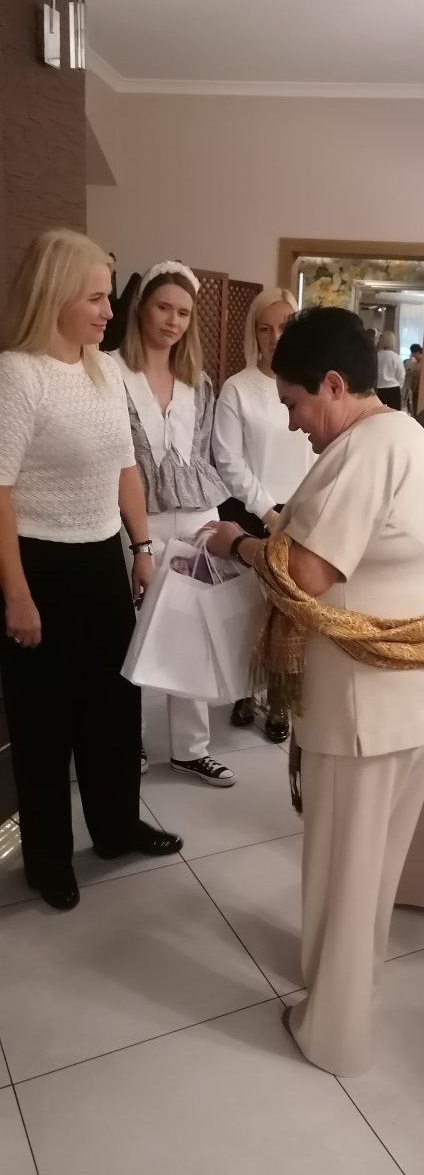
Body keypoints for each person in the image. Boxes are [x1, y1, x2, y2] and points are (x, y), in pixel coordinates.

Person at [206, 307, 424, 1076]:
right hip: (417, 696)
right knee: (372, 864)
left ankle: (334, 1033)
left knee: (347, 868)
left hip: (367, 706)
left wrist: (237, 542)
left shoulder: (366, 447)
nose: (292, 422)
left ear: (331, 384)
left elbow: (305, 573)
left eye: (294, 403)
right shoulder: (407, 435)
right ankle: (345, 973)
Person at [0, 230, 183, 912]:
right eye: (96, 297)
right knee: (44, 722)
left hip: (103, 558)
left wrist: (142, 548)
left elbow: (125, 469)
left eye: (109, 296)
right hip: (39, 565)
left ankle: (115, 828)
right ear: (55, 296)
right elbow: (0, 492)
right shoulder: (17, 374)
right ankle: (47, 859)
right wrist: (16, 594)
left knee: (113, 708)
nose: (111, 311)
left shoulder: (104, 370)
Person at [113, 262, 235, 788]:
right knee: (133, 631)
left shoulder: (199, 383)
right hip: (136, 518)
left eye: (183, 313)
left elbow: (200, 454)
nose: (173, 321)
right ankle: (129, 741)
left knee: (193, 631)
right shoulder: (108, 372)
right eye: (164, 307)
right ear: (141, 307)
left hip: (197, 515)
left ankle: (191, 748)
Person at [213, 287, 313, 742]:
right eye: (265, 328)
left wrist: (300, 510)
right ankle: (244, 691)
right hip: (253, 511)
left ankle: (280, 702)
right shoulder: (238, 388)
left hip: (303, 511)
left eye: (285, 327)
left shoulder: (312, 384)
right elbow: (228, 460)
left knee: (290, 615)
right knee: (250, 611)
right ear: (253, 333)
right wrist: (268, 511)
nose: (275, 337)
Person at [375, 329, 405, 410]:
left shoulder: (376, 356)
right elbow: (401, 375)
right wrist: (398, 384)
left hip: (378, 389)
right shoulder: (396, 357)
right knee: (393, 415)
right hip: (393, 389)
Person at [402, 343, 423, 415]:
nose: (412, 355)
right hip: (414, 389)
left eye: (413, 353)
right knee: (412, 408)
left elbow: (416, 372)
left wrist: (408, 371)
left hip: (418, 389)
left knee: (416, 408)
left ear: (417, 352)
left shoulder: (422, 363)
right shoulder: (416, 363)